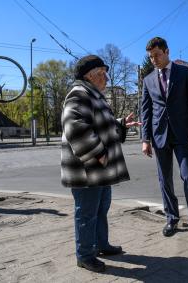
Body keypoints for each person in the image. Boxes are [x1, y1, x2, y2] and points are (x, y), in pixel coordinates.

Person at [61, 55, 140, 273]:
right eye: (102, 73)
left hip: (98, 169)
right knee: (86, 213)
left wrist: (121, 124)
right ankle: (85, 256)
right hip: (88, 169)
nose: (106, 77)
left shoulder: (93, 95)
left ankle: (101, 245)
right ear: (90, 75)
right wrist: (100, 155)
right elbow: (74, 127)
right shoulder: (79, 94)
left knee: (101, 208)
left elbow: (99, 123)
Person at [141, 37, 188, 238]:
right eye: (151, 57)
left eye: (157, 55)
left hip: (184, 135)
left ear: (167, 51)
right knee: (165, 180)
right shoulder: (148, 80)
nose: (154, 60)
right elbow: (145, 111)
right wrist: (145, 139)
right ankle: (171, 219)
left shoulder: (185, 73)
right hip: (159, 135)